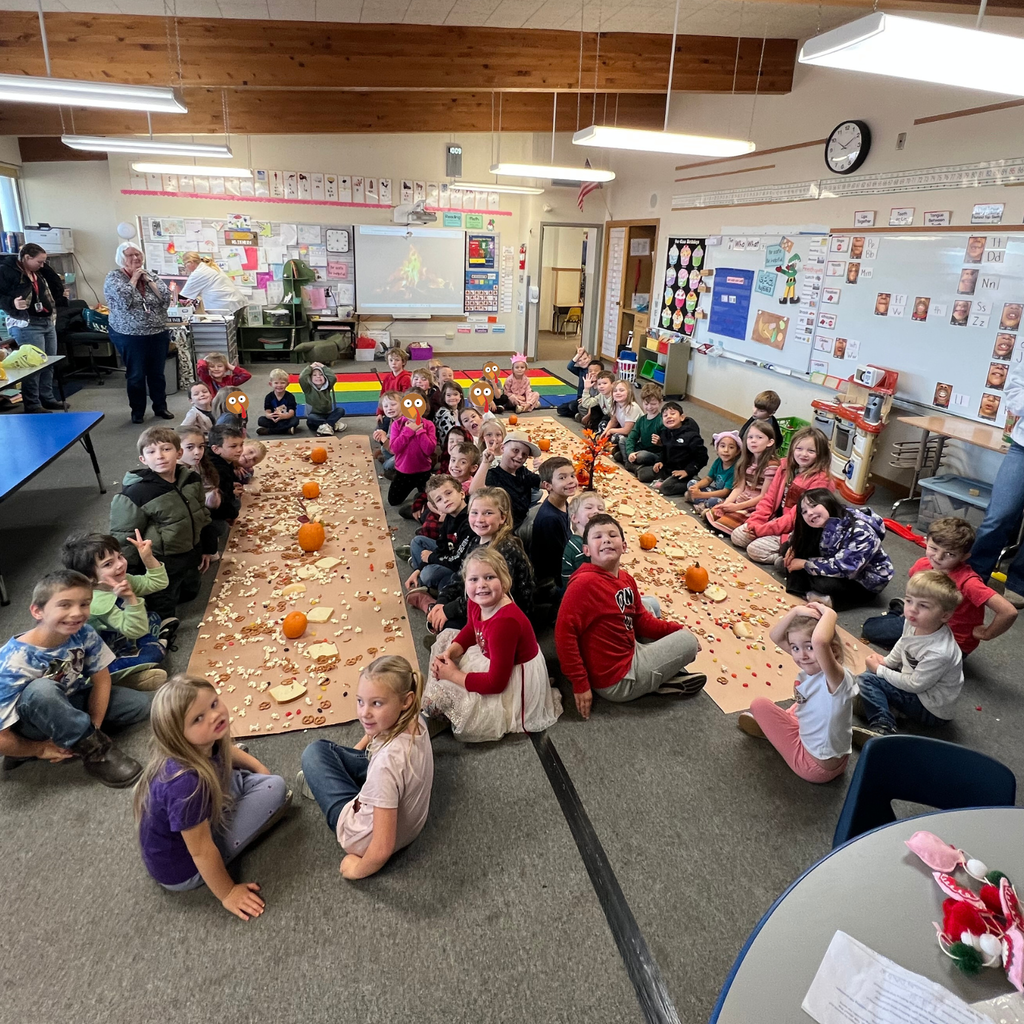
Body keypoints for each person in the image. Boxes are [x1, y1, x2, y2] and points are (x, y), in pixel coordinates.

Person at [135, 675, 289, 917]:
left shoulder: (201, 742)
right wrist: (227, 892)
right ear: (178, 736)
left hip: (188, 829)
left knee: (248, 770)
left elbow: (228, 750)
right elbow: (201, 851)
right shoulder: (186, 786)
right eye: (198, 718)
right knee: (276, 789)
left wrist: (259, 768)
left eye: (214, 703)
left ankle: (234, 791)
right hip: (185, 871)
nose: (215, 715)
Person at [0, 570, 151, 786]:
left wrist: (95, 725)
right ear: (37, 611)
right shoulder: (11, 662)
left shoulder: (84, 632)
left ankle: (78, 734)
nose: (77, 613)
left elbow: (101, 679)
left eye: (84, 604)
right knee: (42, 690)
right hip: (30, 720)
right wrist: (39, 748)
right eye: (64, 605)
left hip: (69, 697)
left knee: (138, 705)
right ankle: (97, 753)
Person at [555, 514, 705, 719]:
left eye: (612, 535)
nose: (606, 539)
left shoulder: (625, 578)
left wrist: (676, 628)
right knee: (688, 642)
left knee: (649, 603)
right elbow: (564, 635)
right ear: (586, 550)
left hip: (625, 648)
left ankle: (658, 674)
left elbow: (642, 621)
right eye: (597, 537)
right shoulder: (584, 585)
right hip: (618, 679)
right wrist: (580, 683)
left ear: (624, 545)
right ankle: (659, 682)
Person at [298, 656, 433, 880]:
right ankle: (349, 766)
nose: (364, 713)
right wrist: (360, 748)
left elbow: (382, 848)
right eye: (360, 701)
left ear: (406, 701)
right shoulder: (416, 719)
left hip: (361, 838)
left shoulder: (385, 767)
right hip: (408, 822)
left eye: (376, 703)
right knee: (349, 754)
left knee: (314, 753)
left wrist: (356, 870)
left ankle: (321, 784)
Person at [425, 547, 561, 742]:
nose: (481, 585)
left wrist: (453, 675)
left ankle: (440, 713)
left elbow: (496, 683)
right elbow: (473, 629)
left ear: (504, 582)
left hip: (509, 674)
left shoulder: (504, 623)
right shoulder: (476, 600)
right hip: (491, 653)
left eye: (489, 577)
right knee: (445, 643)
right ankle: (439, 709)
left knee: (466, 705)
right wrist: (450, 652)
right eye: (474, 579)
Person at [738, 602, 853, 785]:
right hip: (836, 759)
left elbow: (820, 641)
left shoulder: (837, 679)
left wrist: (829, 613)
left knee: (759, 704)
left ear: (833, 651)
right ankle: (779, 728)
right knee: (799, 705)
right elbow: (775, 636)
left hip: (813, 766)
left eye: (809, 647)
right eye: (795, 648)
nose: (801, 656)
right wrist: (796, 611)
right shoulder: (815, 667)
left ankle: (773, 732)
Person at [109, 427, 217, 619]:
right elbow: (125, 536)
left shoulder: (192, 479)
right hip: (162, 560)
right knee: (164, 608)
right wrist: (129, 575)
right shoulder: (135, 494)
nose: (159, 456)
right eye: (151, 452)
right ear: (143, 459)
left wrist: (208, 546)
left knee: (191, 593)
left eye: (166, 449)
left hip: (191, 551)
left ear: (179, 453)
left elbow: (202, 512)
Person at [868, 517, 1018, 654]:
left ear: (964, 557)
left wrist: (987, 634)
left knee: (871, 629)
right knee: (874, 626)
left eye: (950, 554)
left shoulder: (969, 582)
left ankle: (900, 613)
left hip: (952, 642)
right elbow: (914, 588)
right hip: (926, 623)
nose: (938, 557)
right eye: (934, 548)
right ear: (926, 542)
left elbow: (1008, 612)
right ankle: (904, 612)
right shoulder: (922, 564)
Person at [854, 571, 964, 746]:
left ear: (944, 615)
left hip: (931, 708)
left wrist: (880, 670)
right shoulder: (913, 622)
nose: (912, 609)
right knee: (870, 677)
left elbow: (915, 685)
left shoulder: (939, 651)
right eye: (909, 600)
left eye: (923, 606)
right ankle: (892, 708)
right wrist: (887, 662)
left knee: (867, 679)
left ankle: (884, 726)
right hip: (919, 687)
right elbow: (903, 643)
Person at [60, 530, 174, 690]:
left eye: (119, 556)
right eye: (108, 564)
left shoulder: (120, 578)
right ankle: (118, 681)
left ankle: (144, 657)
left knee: (152, 617)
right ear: (89, 578)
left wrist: (147, 557)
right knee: (154, 652)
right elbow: (136, 631)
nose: (120, 564)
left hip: (120, 635)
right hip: (97, 657)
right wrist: (130, 598)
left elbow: (158, 582)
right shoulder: (96, 603)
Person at [418, 488, 534, 635]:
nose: (480, 519)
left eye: (488, 513)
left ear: (502, 518)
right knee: (441, 612)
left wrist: (448, 610)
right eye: (474, 513)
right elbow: (460, 576)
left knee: (448, 624)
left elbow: (491, 597)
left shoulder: (505, 550)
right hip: (481, 597)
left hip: (506, 615)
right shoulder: (476, 540)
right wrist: (442, 601)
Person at [729, 426, 833, 562]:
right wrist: (755, 522)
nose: (803, 454)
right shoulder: (784, 467)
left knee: (754, 550)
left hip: (795, 530)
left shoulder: (820, 480)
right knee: (737, 536)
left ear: (821, 454)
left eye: (811, 451)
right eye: (799, 449)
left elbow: (794, 518)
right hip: (773, 520)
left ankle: (784, 557)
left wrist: (762, 530)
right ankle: (772, 543)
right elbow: (768, 499)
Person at [971, 353, 1024, 607]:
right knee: (1000, 515)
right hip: (1022, 446)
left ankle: (1018, 583)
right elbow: (1015, 392)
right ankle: (974, 575)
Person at [782, 489, 894, 608]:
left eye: (814, 506)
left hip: (861, 579)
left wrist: (805, 564)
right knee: (788, 549)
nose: (809, 513)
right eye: (804, 511)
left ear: (827, 502)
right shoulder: (824, 519)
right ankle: (802, 579)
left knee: (823, 584)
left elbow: (845, 569)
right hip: (832, 558)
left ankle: (808, 584)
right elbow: (801, 534)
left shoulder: (861, 531)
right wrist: (794, 548)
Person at [103, 243, 174, 424]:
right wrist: (134, 279)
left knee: (157, 373)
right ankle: (138, 411)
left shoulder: (151, 275)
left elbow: (166, 299)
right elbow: (123, 300)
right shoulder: (114, 277)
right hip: (130, 334)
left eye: (138, 254)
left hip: (157, 331)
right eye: (130, 255)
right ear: (122, 258)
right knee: (136, 374)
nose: (135, 258)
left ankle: (160, 407)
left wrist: (149, 281)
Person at [0, 243, 67, 412]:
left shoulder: (38, 272)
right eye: (39, 261)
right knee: (33, 366)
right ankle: (33, 404)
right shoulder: (7, 271)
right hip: (27, 324)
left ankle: (47, 398)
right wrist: (12, 303)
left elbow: (49, 289)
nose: (42, 265)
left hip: (47, 321)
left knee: (48, 363)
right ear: (27, 258)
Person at [705, 421, 779, 535]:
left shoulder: (771, 465)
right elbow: (739, 488)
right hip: (742, 499)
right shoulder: (746, 461)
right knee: (712, 514)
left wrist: (736, 507)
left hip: (755, 505)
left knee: (724, 525)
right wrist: (727, 504)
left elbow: (763, 496)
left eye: (759, 437)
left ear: (770, 442)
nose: (753, 440)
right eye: (750, 437)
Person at [405, 474, 469, 596]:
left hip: (461, 566)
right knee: (417, 542)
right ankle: (423, 577)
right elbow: (442, 547)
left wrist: (430, 558)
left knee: (428, 573)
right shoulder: (449, 519)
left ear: (462, 493)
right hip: (450, 555)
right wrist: (419, 569)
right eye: (439, 499)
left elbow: (459, 562)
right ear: (437, 508)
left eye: (448, 493)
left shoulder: (469, 521)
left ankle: (430, 587)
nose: (445, 499)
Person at [530, 456, 578, 593]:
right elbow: (557, 561)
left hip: (562, 559)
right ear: (547, 485)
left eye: (572, 475)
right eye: (562, 478)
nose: (570, 481)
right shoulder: (550, 519)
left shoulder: (562, 502)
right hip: (551, 581)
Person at [638, 400, 708, 495]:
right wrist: (660, 461)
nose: (669, 416)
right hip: (667, 468)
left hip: (683, 471)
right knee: (642, 474)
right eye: (665, 415)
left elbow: (703, 457)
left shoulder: (691, 436)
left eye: (673, 414)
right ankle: (665, 479)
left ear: (682, 417)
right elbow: (664, 449)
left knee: (666, 488)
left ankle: (694, 481)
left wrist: (687, 471)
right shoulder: (665, 433)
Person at [478, 430, 541, 531]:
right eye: (515, 450)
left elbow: (546, 483)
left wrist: (543, 469)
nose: (520, 456)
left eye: (524, 454)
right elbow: (475, 492)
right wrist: (485, 462)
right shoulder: (493, 476)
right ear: (502, 448)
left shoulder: (522, 471)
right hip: (508, 529)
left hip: (522, 518)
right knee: (545, 517)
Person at [387, 396, 437, 506]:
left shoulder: (429, 425)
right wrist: (408, 430)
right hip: (404, 472)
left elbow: (429, 450)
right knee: (393, 501)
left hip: (423, 471)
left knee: (430, 501)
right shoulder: (397, 424)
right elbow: (394, 448)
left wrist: (420, 431)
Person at [686, 430, 741, 511]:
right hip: (715, 491)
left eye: (731, 447)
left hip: (725, 498)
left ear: (737, 451)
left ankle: (701, 503)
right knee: (692, 483)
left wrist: (701, 495)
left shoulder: (735, 469)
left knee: (714, 502)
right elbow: (708, 478)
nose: (726, 450)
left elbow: (725, 492)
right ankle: (701, 503)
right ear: (717, 449)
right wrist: (696, 486)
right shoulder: (718, 461)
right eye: (722, 446)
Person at [562, 490, 606, 588]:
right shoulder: (580, 549)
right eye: (589, 507)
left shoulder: (586, 542)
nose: (596, 511)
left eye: (600, 508)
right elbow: (590, 583)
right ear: (574, 518)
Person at [179, 252, 247, 312]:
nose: (185, 268)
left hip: (226, 306)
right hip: (234, 302)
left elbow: (182, 298)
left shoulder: (199, 272)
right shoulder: (208, 266)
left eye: (185, 265)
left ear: (191, 262)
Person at [207, 423, 246, 525]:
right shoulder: (217, 470)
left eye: (241, 444)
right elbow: (219, 505)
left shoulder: (226, 459)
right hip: (211, 513)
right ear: (216, 449)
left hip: (224, 495)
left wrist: (232, 485)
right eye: (233, 446)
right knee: (235, 507)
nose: (239, 450)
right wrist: (233, 513)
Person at [177, 427, 222, 514]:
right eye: (190, 447)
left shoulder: (196, 464)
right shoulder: (176, 473)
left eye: (201, 446)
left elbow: (207, 485)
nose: (197, 452)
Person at [624, 383, 664, 475]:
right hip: (642, 447)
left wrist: (660, 442)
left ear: (660, 402)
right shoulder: (642, 419)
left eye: (653, 404)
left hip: (653, 454)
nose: (649, 407)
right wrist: (630, 452)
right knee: (622, 441)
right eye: (646, 404)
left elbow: (667, 445)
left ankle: (630, 464)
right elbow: (632, 436)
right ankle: (631, 463)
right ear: (642, 402)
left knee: (642, 456)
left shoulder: (661, 421)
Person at [300, 360, 347, 436]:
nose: (318, 376)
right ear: (310, 378)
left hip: (327, 414)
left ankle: (327, 425)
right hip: (314, 416)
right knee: (311, 419)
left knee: (341, 410)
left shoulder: (327, 387)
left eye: (321, 374)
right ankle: (332, 424)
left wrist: (322, 366)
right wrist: (310, 367)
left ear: (325, 377)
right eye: (314, 375)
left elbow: (333, 377)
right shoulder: (308, 389)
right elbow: (302, 377)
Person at [603, 379, 642, 462]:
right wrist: (606, 431)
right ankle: (617, 450)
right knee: (604, 427)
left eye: (621, 390)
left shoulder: (631, 407)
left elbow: (627, 430)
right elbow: (613, 421)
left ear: (629, 392)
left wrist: (611, 430)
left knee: (618, 437)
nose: (618, 393)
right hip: (627, 434)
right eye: (615, 391)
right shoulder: (617, 404)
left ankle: (627, 460)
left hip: (637, 438)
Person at [558, 348, 600, 418]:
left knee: (572, 406)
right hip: (579, 398)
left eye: (585, 359)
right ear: (577, 362)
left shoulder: (592, 373)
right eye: (579, 360)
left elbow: (595, 391)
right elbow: (569, 367)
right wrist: (578, 355)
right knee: (561, 409)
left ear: (589, 357)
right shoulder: (580, 371)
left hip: (588, 398)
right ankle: (578, 415)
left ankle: (582, 414)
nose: (583, 362)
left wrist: (586, 398)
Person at [257, 368, 298, 435]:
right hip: (274, 420)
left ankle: (269, 431)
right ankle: (286, 430)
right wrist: (270, 416)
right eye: (276, 383)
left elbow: (291, 413)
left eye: (282, 383)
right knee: (261, 420)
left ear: (287, 384)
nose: (279, 385)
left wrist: (283, 416)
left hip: (286, 419)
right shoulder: (269, 397)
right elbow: (267, 411)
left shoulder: (290, 397)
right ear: (271, 384)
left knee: (295, 420)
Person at [376, 347, 412, 421]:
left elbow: (407, 399)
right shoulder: (387, 378)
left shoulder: (406, 378)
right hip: (390, 409)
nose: (393, 363)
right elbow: (382, 396)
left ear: (403, 362)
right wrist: (380, 412)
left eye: (397, 360)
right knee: (379, 429)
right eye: (391, 360)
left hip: (402, 412)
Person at [372, 390, 402, 473]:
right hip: (399, 451)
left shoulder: (403, 422)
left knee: (387, 466)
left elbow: (397, 448)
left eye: (393, 404)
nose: (389, 408)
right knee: (383, 449)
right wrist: (383, 435)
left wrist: (384, 439)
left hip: (408, 454)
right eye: (385, 406)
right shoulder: (393, 420)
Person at [434, 381, 465, 450]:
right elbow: (451, 435)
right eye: (448, 395)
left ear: (461, 396)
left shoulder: (458, 411)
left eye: (455, 394)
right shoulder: (444, 413)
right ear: (443, 396)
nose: (452, 397)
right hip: (448, 448)